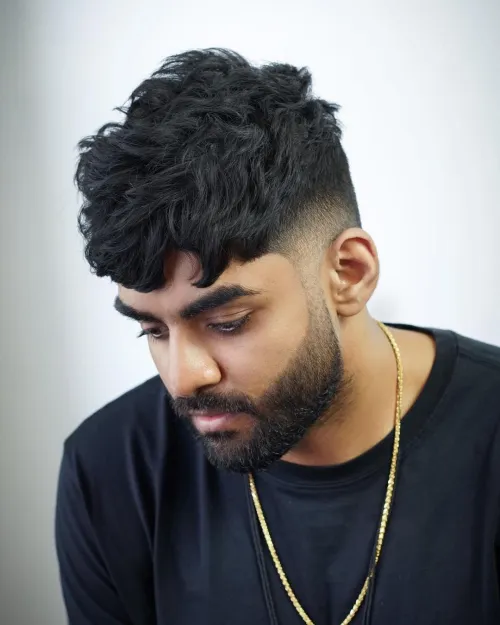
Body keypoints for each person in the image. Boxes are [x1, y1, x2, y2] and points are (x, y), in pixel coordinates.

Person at [55, 48, 500, 625]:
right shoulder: (111, 471)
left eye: (226, 323)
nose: (184, 377)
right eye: (152, 329)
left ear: (349, 274)